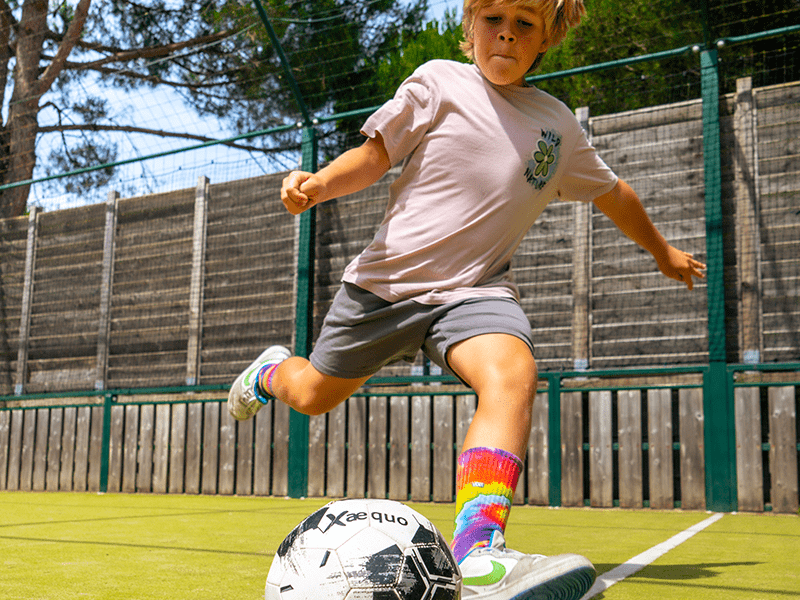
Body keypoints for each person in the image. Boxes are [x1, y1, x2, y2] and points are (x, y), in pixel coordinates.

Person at [229, 1, 706, 598]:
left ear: (547, 37)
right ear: (470, 26)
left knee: (512, 371)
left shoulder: (556, 126)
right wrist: (321, 183)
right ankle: (271, 372)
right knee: (313, 395)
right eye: (493, 18)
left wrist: (662, 253)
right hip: (385, 289)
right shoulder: (438, 81)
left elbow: (614, 193)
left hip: (474, 291)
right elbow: (376, 156)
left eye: (525, 22)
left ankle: (479, 550)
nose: (506, 32)